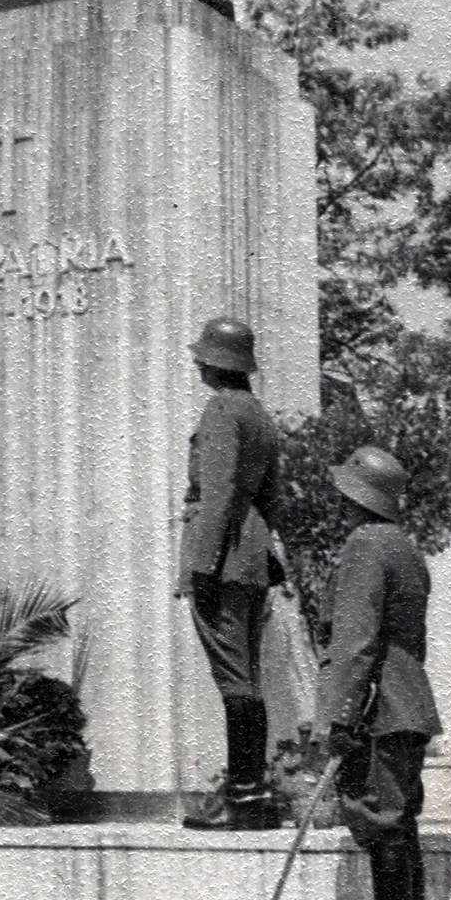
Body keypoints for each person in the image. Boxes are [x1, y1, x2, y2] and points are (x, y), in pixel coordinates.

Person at [317, 446, 442, 900]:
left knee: (385, 827)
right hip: (407, 704)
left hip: (379, 708)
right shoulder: (405, 548)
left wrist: (341, 717)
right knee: (398, 828)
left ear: (354, 497)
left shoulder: (365, 545)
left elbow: (356, 641)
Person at [179, 317, 281, 831]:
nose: (197, 363)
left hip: (220, 558)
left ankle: (244, 799)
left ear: (218, 363)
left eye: (204, 356)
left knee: (235, 679)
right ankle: (253, 794)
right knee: (248, 676)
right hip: (251, 556)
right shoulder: (260, 415)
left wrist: (200, 564)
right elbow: (270, 498)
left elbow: (217, 497)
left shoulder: (221, 411)